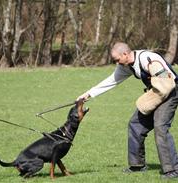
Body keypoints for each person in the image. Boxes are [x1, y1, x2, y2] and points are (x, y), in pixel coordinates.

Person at [76, 42, 178, 179]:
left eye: (117, 59)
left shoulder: (147, 58)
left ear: (125, 54)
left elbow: (167, 80)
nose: (116, 62)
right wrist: (87, 94)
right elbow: (111, 81)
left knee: (160, 127)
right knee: (135, 125)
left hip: (170, 91)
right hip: (154, 94)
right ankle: (137, 165)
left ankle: (173, 169)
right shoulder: (126, 66)